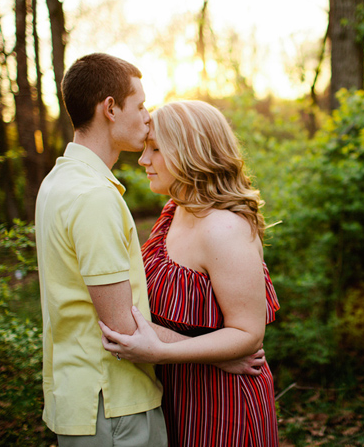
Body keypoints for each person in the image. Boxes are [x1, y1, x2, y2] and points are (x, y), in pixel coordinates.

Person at [99, 100, 281, 446]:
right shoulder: (174, 211)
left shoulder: (223, 229)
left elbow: (248, 334)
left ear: (189, 152)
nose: (142, 160)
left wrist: (162, 353)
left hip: (223, 401)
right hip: (177, 390)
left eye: (155, 149)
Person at [35, 53, 166, 446]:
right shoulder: (94, 196)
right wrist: (217, 353)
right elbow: (124, 332)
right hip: (113, 406)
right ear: (109, 108)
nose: (147, 117)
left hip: (83, 399)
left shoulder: (58, 182)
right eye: (140, 105)